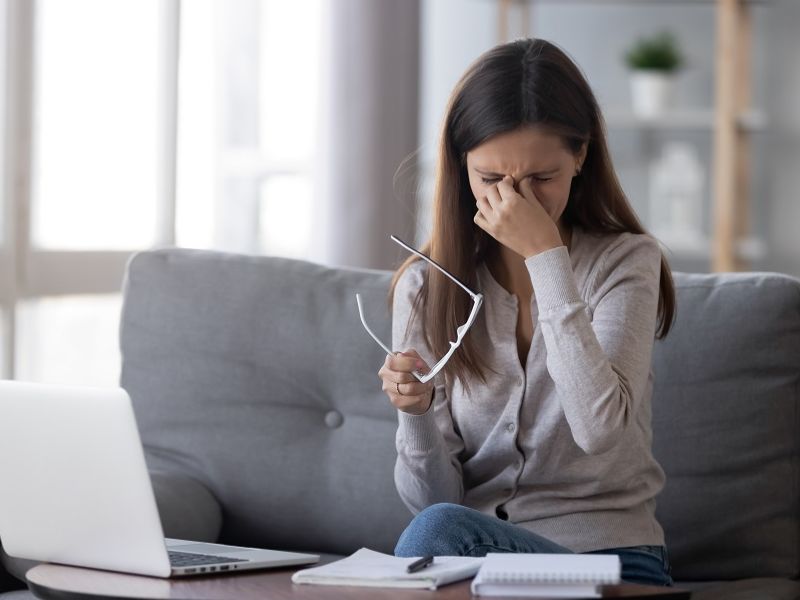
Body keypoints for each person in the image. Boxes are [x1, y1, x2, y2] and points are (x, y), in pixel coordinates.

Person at [378, 38, 677, 587]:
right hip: (477, 562)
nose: (517, 202)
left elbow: (600, 434)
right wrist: (415, 413)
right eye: (491, 180)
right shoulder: (426, 285)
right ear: (460, 166)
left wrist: (545, 257)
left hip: (611, 561)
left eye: (543, 179)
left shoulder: (627, 262)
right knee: (437, 527)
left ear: (581, 156)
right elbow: (431, 503)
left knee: (436, 534)